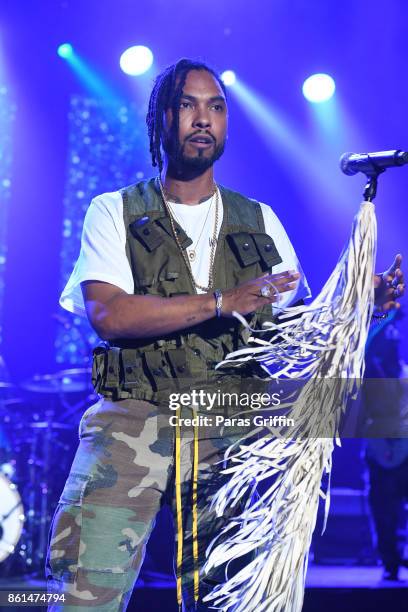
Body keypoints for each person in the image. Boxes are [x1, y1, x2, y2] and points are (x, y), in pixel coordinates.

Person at [46, 58, 404, 611]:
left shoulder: (258, 219)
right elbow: (110, 314)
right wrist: (222, 302)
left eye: (215, 106)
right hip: (132, 418)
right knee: (84, 594)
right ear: (162, 117)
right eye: (188, 105)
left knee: (226, 598)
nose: (203, 119)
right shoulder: (114, 210)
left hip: (227, 423)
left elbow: (295, 330)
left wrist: (362, 306)